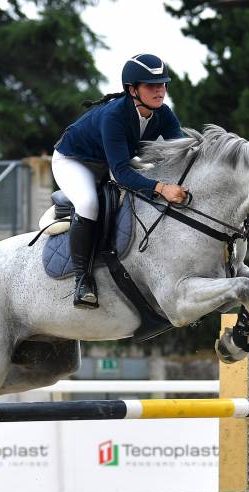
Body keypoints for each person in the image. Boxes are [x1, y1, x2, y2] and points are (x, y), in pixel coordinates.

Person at [53, 53, 190, 308]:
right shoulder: (114, 116)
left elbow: (180, 154)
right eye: (152, 85)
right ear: (132, 89)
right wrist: (161, 188)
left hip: (108, 161)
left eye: (162, 84)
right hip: (74, 161)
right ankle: (82, 282)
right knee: (88, 204)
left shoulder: (164, 114)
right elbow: (123, 174)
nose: (159, 91)